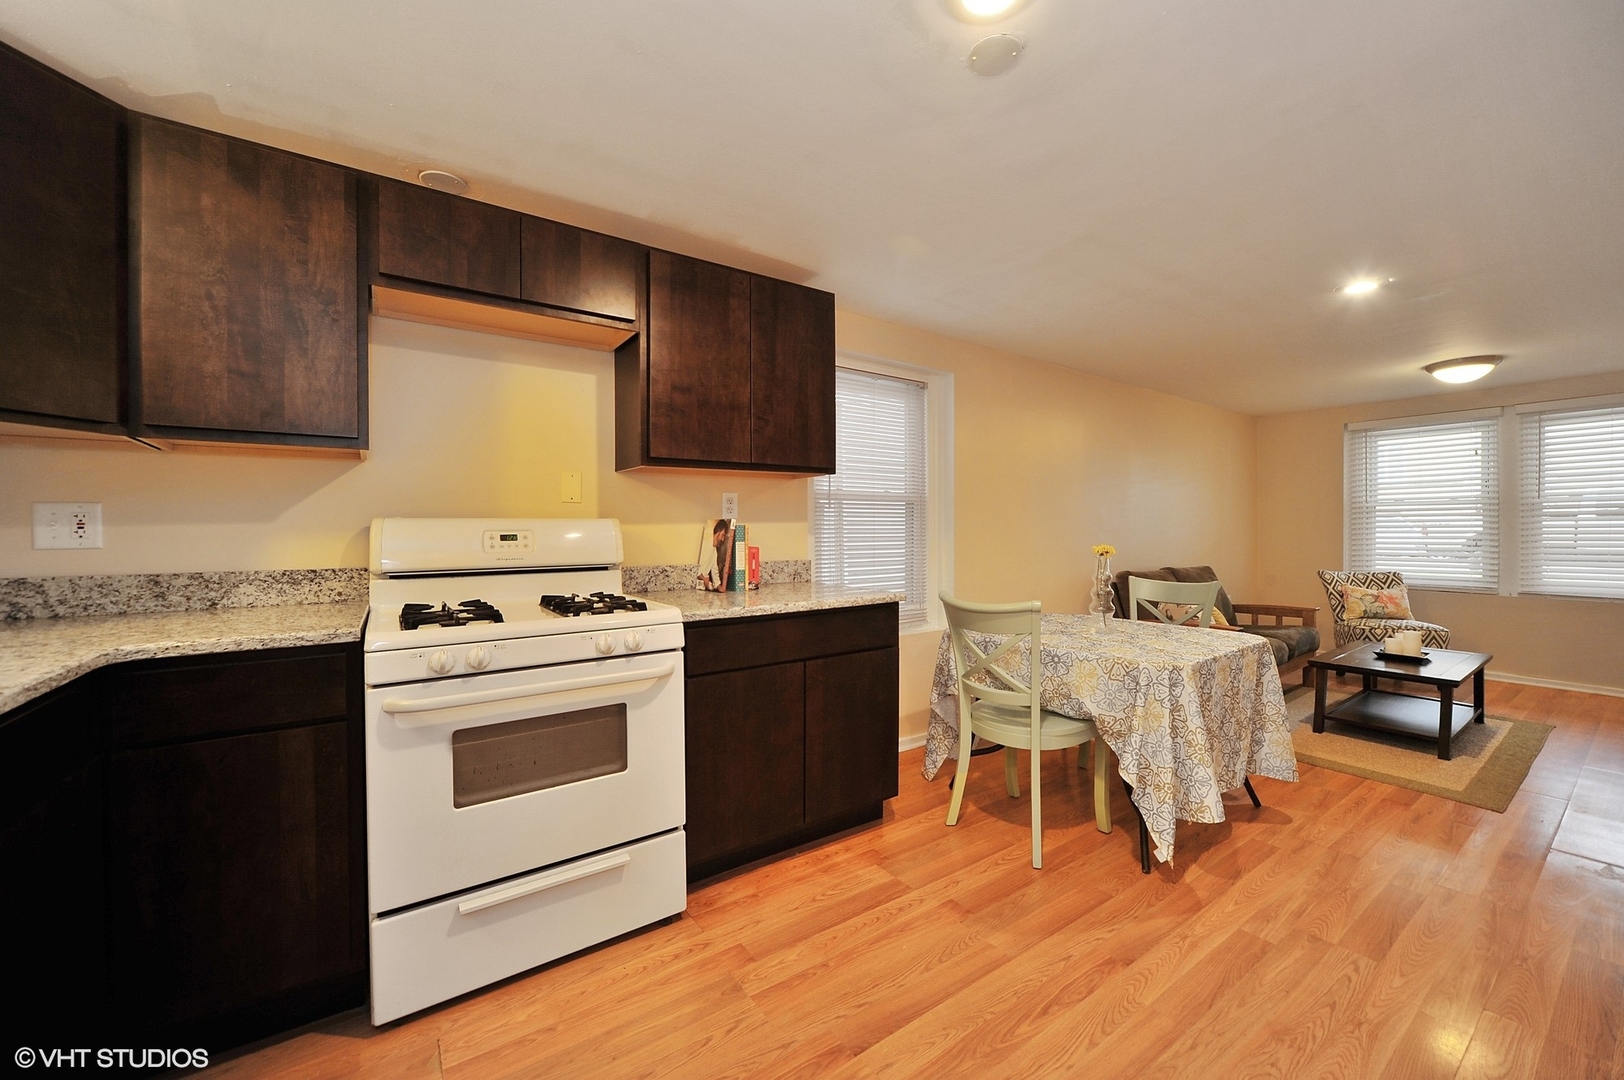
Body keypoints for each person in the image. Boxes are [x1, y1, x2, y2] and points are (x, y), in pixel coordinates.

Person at [697, 519, 734, 591]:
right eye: (723, 535)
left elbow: (714, 569)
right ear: (718, 532)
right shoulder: (705, 544)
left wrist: (719, 586)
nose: (723, 539)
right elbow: (696, 569)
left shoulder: (714, 550)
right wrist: (704, 578)